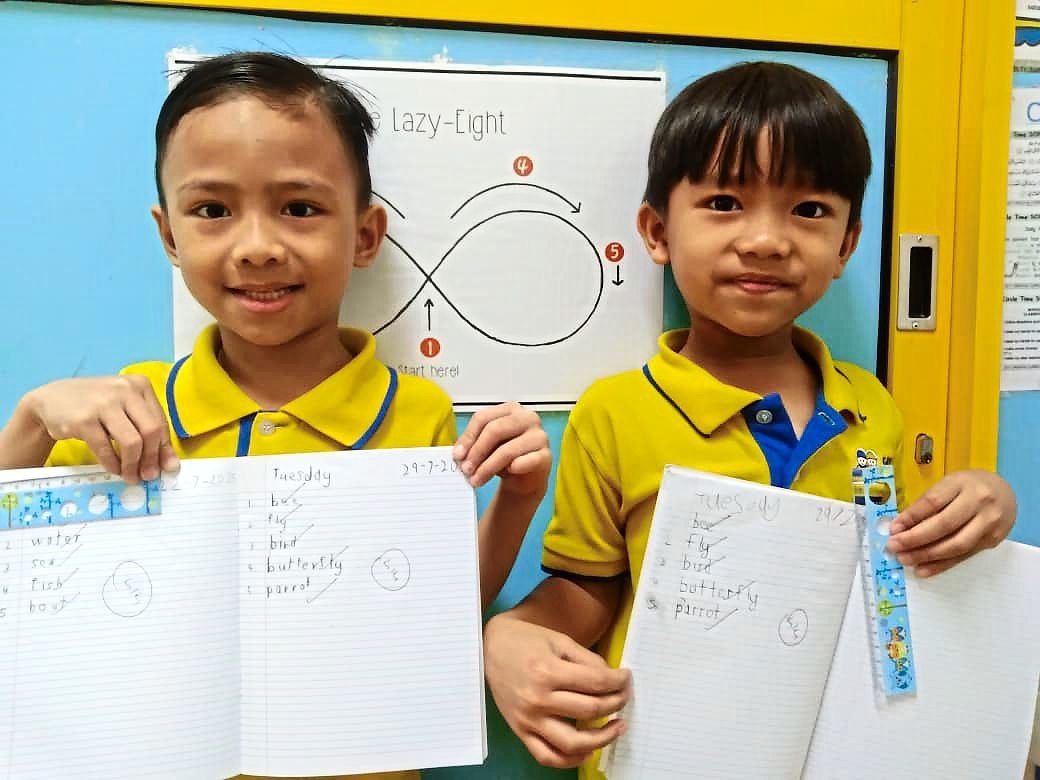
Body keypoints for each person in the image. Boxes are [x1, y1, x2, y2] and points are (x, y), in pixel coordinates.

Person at [0, 51, 552, 779]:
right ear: (170, 235)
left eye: (299, 208)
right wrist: (35, 420)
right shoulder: (127, 413)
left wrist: (516, 500)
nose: (257, 247)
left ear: (364, 234)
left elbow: (430, 617)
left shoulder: (416, 414)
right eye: (212, 211)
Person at [481, 61, 1018, 777]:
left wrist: (987, 507)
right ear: (657, 230)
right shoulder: (615, 412)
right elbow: (589, 590)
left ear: (847, 246)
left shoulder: (869, 404)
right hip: (664, 753)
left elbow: (896, 576)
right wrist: (510, 638)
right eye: (726, 202)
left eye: (809, 211)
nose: (766, 239)